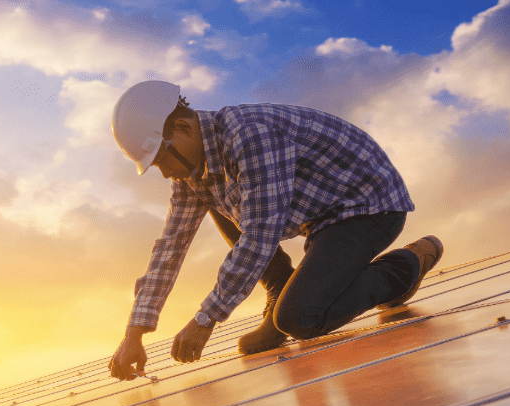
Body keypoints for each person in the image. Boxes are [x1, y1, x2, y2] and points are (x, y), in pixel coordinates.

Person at [107, 80, 442, 381]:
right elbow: (171, 246)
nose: (166, 173)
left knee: (300, 319)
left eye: (162, 159)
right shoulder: (192, 171)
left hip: (369, 208)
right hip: (321, 218)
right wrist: (133, 333)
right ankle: (279, 291)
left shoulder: (250, 135)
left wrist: (205, 319)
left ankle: (405, 266)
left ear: (182, 127)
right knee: (215, 200)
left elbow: (259, 235)